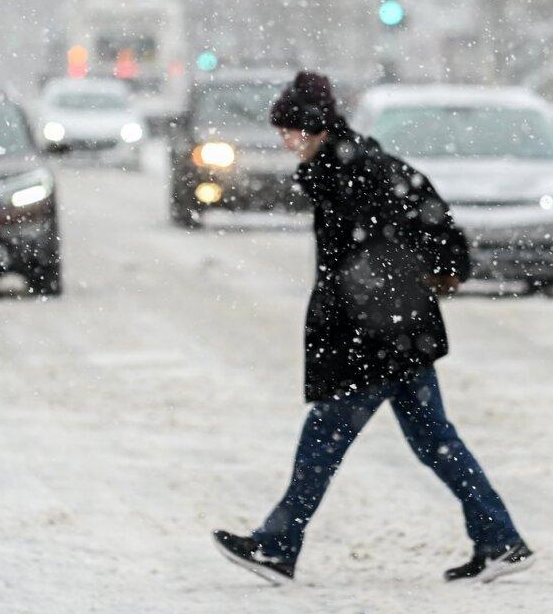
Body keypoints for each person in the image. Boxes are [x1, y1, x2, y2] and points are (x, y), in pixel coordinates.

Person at [213, 72, 532, 585]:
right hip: (394, 331)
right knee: (434, 441)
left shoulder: (354, 172)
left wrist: (373, 313)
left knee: (324, 439)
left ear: (314, 128)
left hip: (377, 336)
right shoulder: (346, 166)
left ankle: (277, 546)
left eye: (289, 130)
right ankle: (500, 539)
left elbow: (386, 249)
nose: (283, 140)